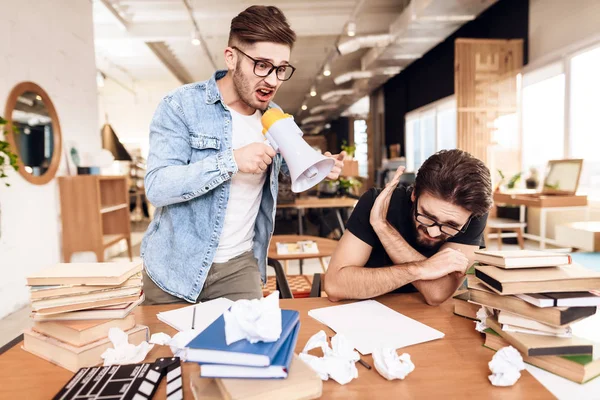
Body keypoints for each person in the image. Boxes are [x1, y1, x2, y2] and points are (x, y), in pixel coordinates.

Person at [141, 5, 344, 304]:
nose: (273, 80)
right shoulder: (181, 106)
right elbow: (157, 186)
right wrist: (231, 161)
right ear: (231, 57)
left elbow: (292, 167)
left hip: (239, 267)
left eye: (281, 68)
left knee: (245, 349)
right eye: (262, 65)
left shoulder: (276, 117)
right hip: (174, 268)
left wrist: (319, 165)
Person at [324, 149, 493, 306]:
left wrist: (383, 228)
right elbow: (334, 287)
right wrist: (421, 269)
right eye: (427, 216)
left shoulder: (472, 214)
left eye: (450, 225)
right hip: (363, 308)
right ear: (414, 193)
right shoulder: (377, 202)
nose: (433, 232)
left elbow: (437, 294)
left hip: (422, 315)